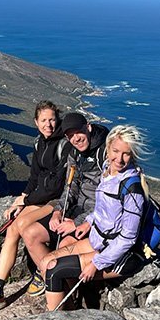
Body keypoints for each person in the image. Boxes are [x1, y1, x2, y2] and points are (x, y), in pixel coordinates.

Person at [0, 101, 71, 316]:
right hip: (41, 197)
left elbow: (56, 186)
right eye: (44, 120)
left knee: (22, 224)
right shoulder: (40, 143)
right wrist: (23, 197)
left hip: (57, 200)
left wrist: (26, 203)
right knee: (11, 228)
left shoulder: (64, 144)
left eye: (52, 119)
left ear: (58, 120)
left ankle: (42, 272)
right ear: (36, 122)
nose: (48, 124)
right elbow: (34, 177)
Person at [39, 125, 151, 311]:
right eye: (115, 151)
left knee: (54, 270)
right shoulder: (107, 170)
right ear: (108, 148)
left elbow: (128, 237)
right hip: (99, 240)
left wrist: (96, 264)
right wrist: (89, 222)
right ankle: (68, 313)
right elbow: (103, 208)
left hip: (118, 254)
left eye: (126, 154)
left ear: (133, 155)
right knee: (45, 262)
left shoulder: (132, 189)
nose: (119, 159)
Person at [19, 112, 109, 286]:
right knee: (30, 234)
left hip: (95, 217)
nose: (76, 138)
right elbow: (70, 187)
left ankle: (64, 289)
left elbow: (108, 202)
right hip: (76, 209)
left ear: (88, 127)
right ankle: (51, 281)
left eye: (78, 132)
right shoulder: (74, 153)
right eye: (70, 136)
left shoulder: (105, 154)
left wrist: (76, 223)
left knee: (64, 248)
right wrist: (58, 211)